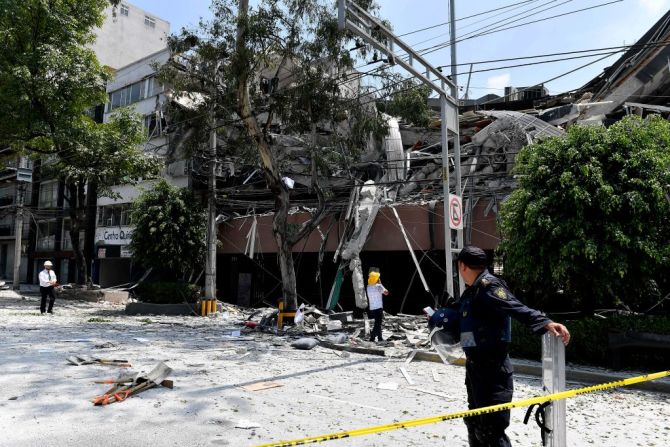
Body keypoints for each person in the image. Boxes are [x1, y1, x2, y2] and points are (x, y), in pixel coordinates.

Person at [439, 246, 570, 447]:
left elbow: (515, 306)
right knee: (475, 423)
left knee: (491, 431)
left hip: (493, 371)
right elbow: (459, 313)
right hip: (476, 368)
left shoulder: (489, 286)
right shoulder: (472, 291)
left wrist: (545, 322)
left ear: (462, 266)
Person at [366, 269, 389, 342]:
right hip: (378, 308)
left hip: (372, 308)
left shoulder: (368, 287)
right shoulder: (378, 286)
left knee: (377, 323)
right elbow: (386, 293)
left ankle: (380, 338)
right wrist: (381, 284)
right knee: (378, 324)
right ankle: (372, 338)